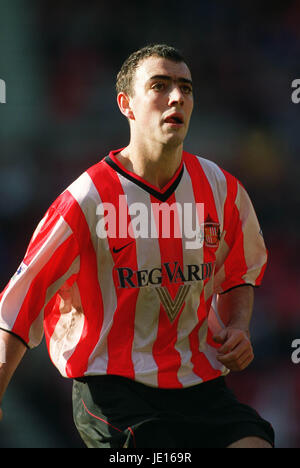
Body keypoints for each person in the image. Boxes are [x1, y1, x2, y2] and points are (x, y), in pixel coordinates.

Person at [0, 44, 274, 448]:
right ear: (126, 104)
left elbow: (238, 271)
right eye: (160, 85)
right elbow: (17, 308)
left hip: (199, 385)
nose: (177, 96)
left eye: (186, 87)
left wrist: (237, 326)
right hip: (114, 393)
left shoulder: (222, 189)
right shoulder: (86, 200)